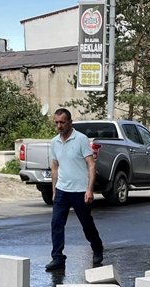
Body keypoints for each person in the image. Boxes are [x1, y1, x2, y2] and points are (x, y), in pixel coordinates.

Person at [46, 108, 104, 272]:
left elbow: (91, 165)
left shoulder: (81, 139)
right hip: (62, 190)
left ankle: (97, 247)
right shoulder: (54, 142)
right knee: (56, 224)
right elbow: (55, 166)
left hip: (80, 191)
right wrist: (54, 190)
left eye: (62, 122)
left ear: (70, 123)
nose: (59, 126)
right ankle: (57, 257)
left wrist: (89, 189)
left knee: (86, 224)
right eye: (56, 122)